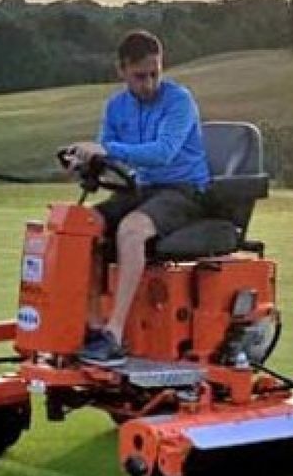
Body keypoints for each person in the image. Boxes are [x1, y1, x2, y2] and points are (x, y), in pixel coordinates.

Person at [65, 29, 209, 365]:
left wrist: (106, 150)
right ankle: (93, 326)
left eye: (154, 74)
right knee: (84, 225)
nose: (149, 84)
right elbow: (109, 158)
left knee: (131, 230)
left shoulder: (179, 101)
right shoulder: (116, 107)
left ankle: (114, 334)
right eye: (140, 76)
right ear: (122, 71)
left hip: (183, 190)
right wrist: (85, 164)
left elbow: (162, 152)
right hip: (142, 190)